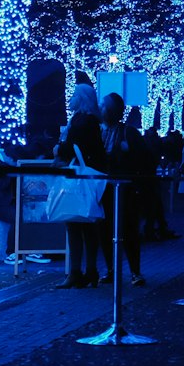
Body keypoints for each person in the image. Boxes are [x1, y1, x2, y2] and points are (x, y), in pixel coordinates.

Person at [53, 74, 105, 289]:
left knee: (74, 224)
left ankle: (76, 272)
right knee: (87, 226)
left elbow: (71, 147)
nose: (70, 98)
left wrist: (58, 149)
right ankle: (90, 270)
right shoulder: (92, 121)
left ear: (82, 98)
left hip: (76, 176)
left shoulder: (79, 121)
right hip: (88, 175)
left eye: (74, 95)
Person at [98, 92, 145, 286]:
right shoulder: (98, 132)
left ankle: (135, 271)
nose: (101, 110)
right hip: (104, 189)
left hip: (125, 190)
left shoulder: (129, 133)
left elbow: (143, 159)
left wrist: (126, 153)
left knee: (128, 229)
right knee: (105, 230)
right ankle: (110, 269)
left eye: (105, 107)